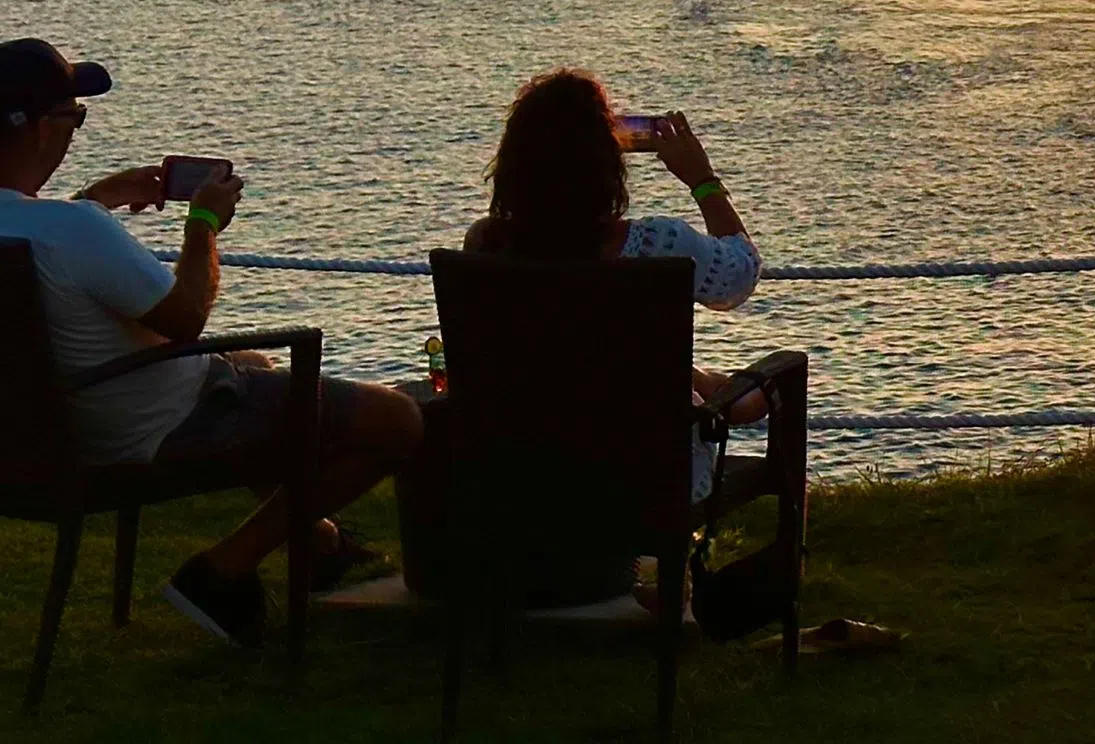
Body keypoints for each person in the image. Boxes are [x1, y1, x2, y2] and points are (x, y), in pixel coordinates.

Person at [0, 36, 423, 648]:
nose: (74, 132)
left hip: (43, 437)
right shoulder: (72, 230)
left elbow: (44, 259)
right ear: (40, 128)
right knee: (397, 420)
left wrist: (94, 200)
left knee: (250, 367)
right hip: (151, 428)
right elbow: (185, 318)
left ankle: (322, 545)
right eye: (75, 117)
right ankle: (222, 571)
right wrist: (202, 224)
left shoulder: (57, 226)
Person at [462, 68, 764, 477]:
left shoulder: (485, 244)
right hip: (648, 474)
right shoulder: (660, 242)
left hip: (528, 471)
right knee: (751, 385)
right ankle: (735, 392)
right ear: (606, 161)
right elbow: (740, 274)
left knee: (661, 373)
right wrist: (702, 180)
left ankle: (711, 385)